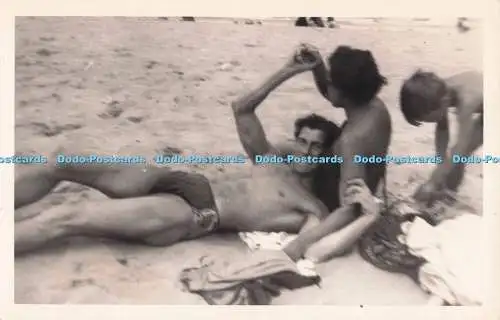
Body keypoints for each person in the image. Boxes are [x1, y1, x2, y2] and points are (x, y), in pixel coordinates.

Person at [15, 48, 343, 254]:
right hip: (183, 179)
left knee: (67, 216)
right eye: (302, 142)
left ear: (326, 155)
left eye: (316, 148)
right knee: (60, 161)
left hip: (193, 213)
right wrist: (290, 69)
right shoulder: (270, 160)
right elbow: (242, 109)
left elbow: (309, 248)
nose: (306, 152)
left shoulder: (311, 208)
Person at [281, 44, 392, 263]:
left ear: (345, 92)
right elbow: (333, 94)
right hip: (365, 180)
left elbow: (349, 209)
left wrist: (299, 243)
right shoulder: (376, 108)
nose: (326, 85)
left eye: (331, 82)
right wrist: (318, 66)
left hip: (333, 202)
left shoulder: (352, 140)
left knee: (281, 156)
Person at [399, 70, 483, 205]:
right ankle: (446, 192)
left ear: (444, 103)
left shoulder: (466, 102)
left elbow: (459, 150)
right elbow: (442, 129)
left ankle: (448, 196)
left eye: (431, 119)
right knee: (451, 163)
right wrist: (441, 164)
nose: (436, 121)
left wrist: (432, 182)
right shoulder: (438, 92)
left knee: (461, 155)